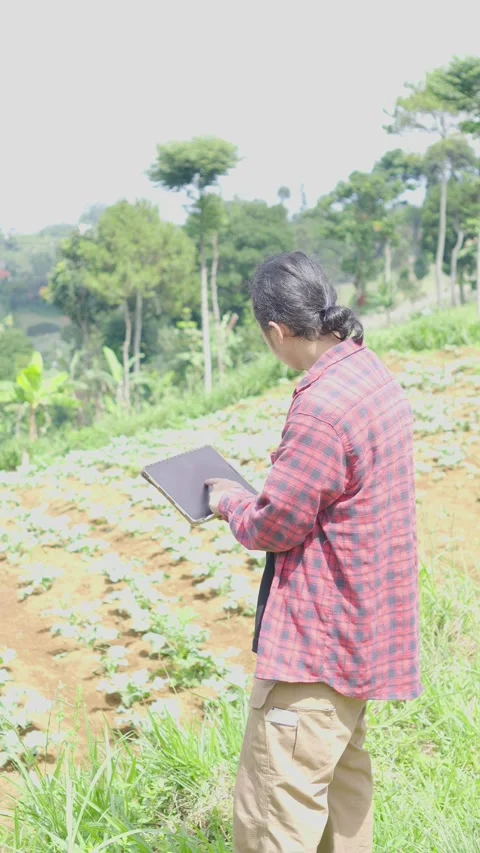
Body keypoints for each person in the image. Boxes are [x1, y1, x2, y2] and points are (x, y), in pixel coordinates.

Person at [206, 251, 421, 853]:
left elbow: (274, 525)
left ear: (275, 331)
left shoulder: (321, 408)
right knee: (341, 809)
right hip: (362, 636)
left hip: (316, 649)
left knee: (275, 813)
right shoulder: (368, 371)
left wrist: (228, 501)